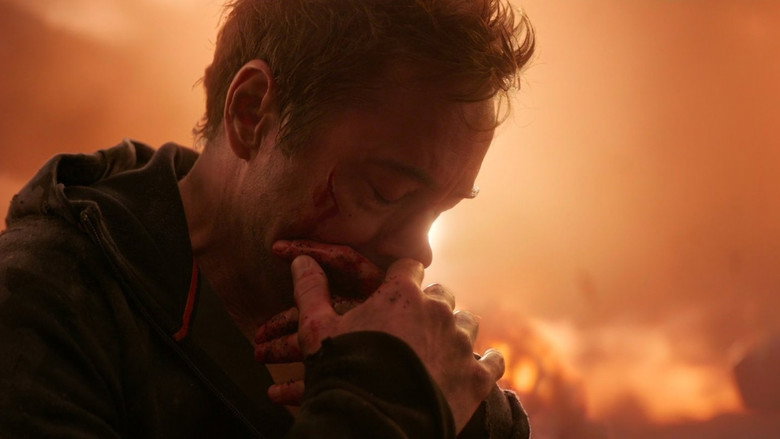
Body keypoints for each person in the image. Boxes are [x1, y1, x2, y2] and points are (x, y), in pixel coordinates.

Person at [0, 0, 535, 437]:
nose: (418, 254)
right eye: (384, 190)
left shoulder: (411, 357)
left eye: (441, 209)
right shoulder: (42, 306)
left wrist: (469, 414)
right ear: (251, 112)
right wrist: (387, 411)